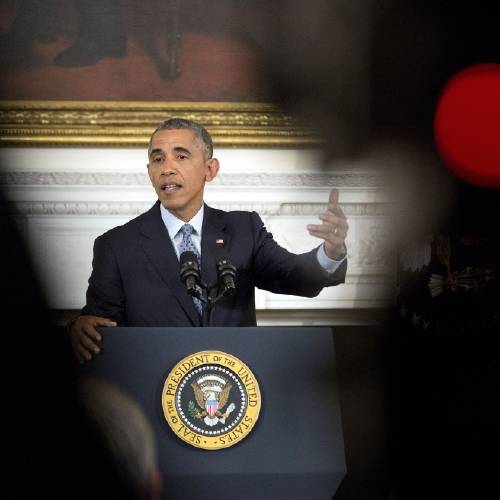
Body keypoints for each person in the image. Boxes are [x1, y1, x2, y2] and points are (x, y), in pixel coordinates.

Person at [69, 118, 349, 363]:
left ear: (210, 169)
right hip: (156, 392)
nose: (166, 168)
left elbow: (294, 276)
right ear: (149, 171)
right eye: (158, 159)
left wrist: (330, 252)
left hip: (236, 394)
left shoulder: (243, 229)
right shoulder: (117, 245)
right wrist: (78, 328)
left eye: (181, 156)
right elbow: (98, 325)